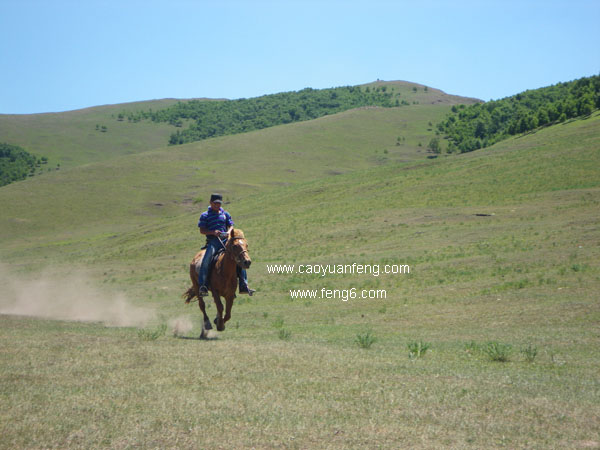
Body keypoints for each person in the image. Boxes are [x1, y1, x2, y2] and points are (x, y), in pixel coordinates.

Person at [197, 193, 254, 296]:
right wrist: (213, 232)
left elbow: (231, 225)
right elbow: (202, 230)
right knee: (206, 260)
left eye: (219, 203)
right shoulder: (205, 215)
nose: (217, 205)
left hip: (226, 241)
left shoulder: (225, 214)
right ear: (210, 203)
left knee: (240, 258)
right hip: (213, 242)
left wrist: (228, 232)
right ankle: (203, 285)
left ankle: (244, 285)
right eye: (215, 203)